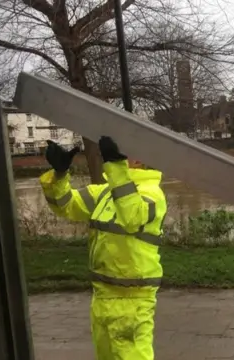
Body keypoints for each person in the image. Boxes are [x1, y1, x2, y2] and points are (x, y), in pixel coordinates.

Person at [40, 136, 167, 360]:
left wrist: (116, 167)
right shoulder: (106, 193)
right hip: (102, 295)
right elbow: (66, 205)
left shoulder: (152, 193)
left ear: (140, 161)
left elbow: (132, 216)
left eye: (125, 153)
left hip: (133, 299)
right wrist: (60, 174)